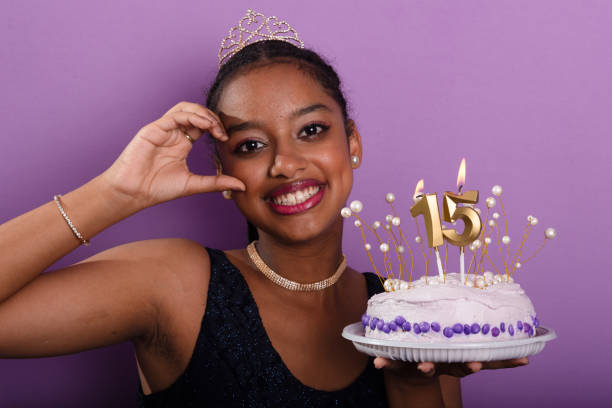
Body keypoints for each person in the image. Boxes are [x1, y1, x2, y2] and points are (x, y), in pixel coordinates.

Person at [0, 10, 528, 408]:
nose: (285, 164)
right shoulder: (176, 284)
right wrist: (118, 190)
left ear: (354, 143)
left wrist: (413, 376)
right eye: (251, 145)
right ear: (224, 173)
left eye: (312, 131)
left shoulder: (413, 319)